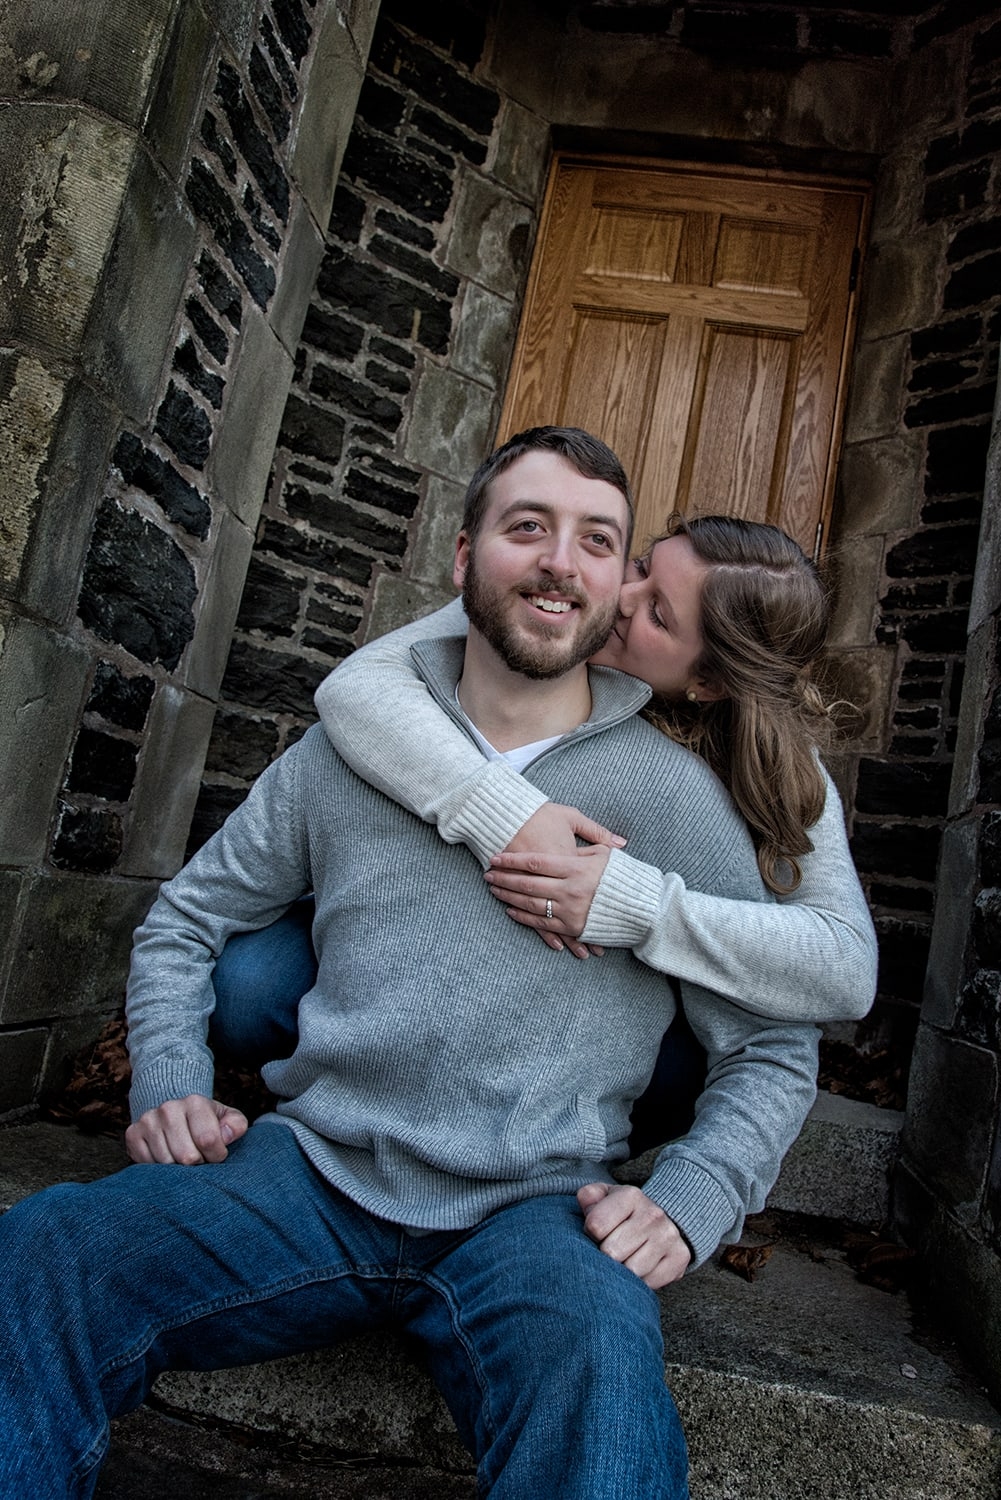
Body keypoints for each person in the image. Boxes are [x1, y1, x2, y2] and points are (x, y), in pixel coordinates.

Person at [0, 426, 821, 1500]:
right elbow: (184, 923)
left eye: (594, 540)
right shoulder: (347, 750)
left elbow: (770, 1040)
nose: (556, 562)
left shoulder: (672, 798)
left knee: (599, 1393)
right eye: (526, 527)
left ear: (619, 582)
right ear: (461, 558)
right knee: (47, 1250)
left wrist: (693, 1194)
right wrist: (168, 1078)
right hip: (312, 1173)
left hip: (539, 1211)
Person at [215, 495, 876, 1149]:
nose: (619, 592)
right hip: (435, 923)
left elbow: (842, 971)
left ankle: (566, 1154)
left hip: (619, 994)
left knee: (687, 1065)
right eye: (641, 564)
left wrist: (634, 906)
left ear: (708, 682)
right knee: (248, 985)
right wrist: (509, 815)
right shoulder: (546, 610)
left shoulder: (778, 772)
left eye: (655, 611)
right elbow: (357, 689)